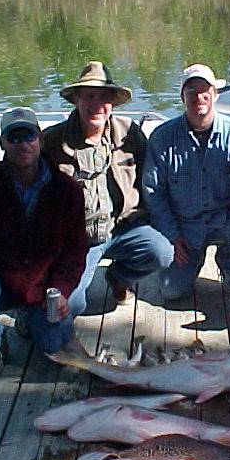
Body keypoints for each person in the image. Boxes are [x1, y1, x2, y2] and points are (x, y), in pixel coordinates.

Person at [0, 107, 88, 379]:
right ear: (2, 143)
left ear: (40, 140)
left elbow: (75, 251)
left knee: (57, 349)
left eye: (29, 136)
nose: (23, 144)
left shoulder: (67, 189)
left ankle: (28, 316)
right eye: (14, 138)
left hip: (43, 288)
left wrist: (60, 289)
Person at [41, 61, 173, 311]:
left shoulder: (129, 133)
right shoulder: (52, 140)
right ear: (76, 99)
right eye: (89, 96)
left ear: (112, 102)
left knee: (161, 252)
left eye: (104, 97)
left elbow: (150, 182)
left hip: (123, 227)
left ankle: (119, 278)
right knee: (70, 306)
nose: (97, 104)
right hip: (78, 240)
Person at [143, 64, 230, 299]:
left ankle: (228, 264)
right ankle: (191, 261)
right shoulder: (161, 138)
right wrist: (171, 235)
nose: (199, 96)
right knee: (172, 291)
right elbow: (153, 193)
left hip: (225, 217)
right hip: (183, 225)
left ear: (215, 94)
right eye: (191, 91)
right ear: (182, 97)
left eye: (204, 90)